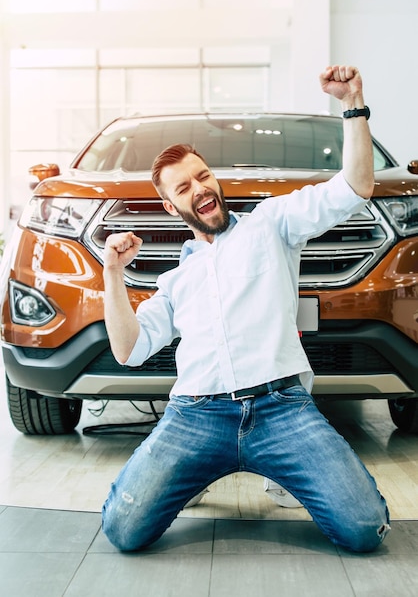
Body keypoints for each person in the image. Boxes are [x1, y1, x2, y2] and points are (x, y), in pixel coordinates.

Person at [101, 65, 390, 552]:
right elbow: (128, 349)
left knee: (364, 530)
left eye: (203, 175)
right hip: (195, 416)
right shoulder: (175, 280)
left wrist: (352, 104)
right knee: (122, 531)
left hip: (281, 410)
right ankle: (202, 468)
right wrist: (112, 272)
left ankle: (280, 470)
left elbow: (355, 187)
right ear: (172, 208)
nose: (200, 189)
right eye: (184, 188)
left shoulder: (270, 224)